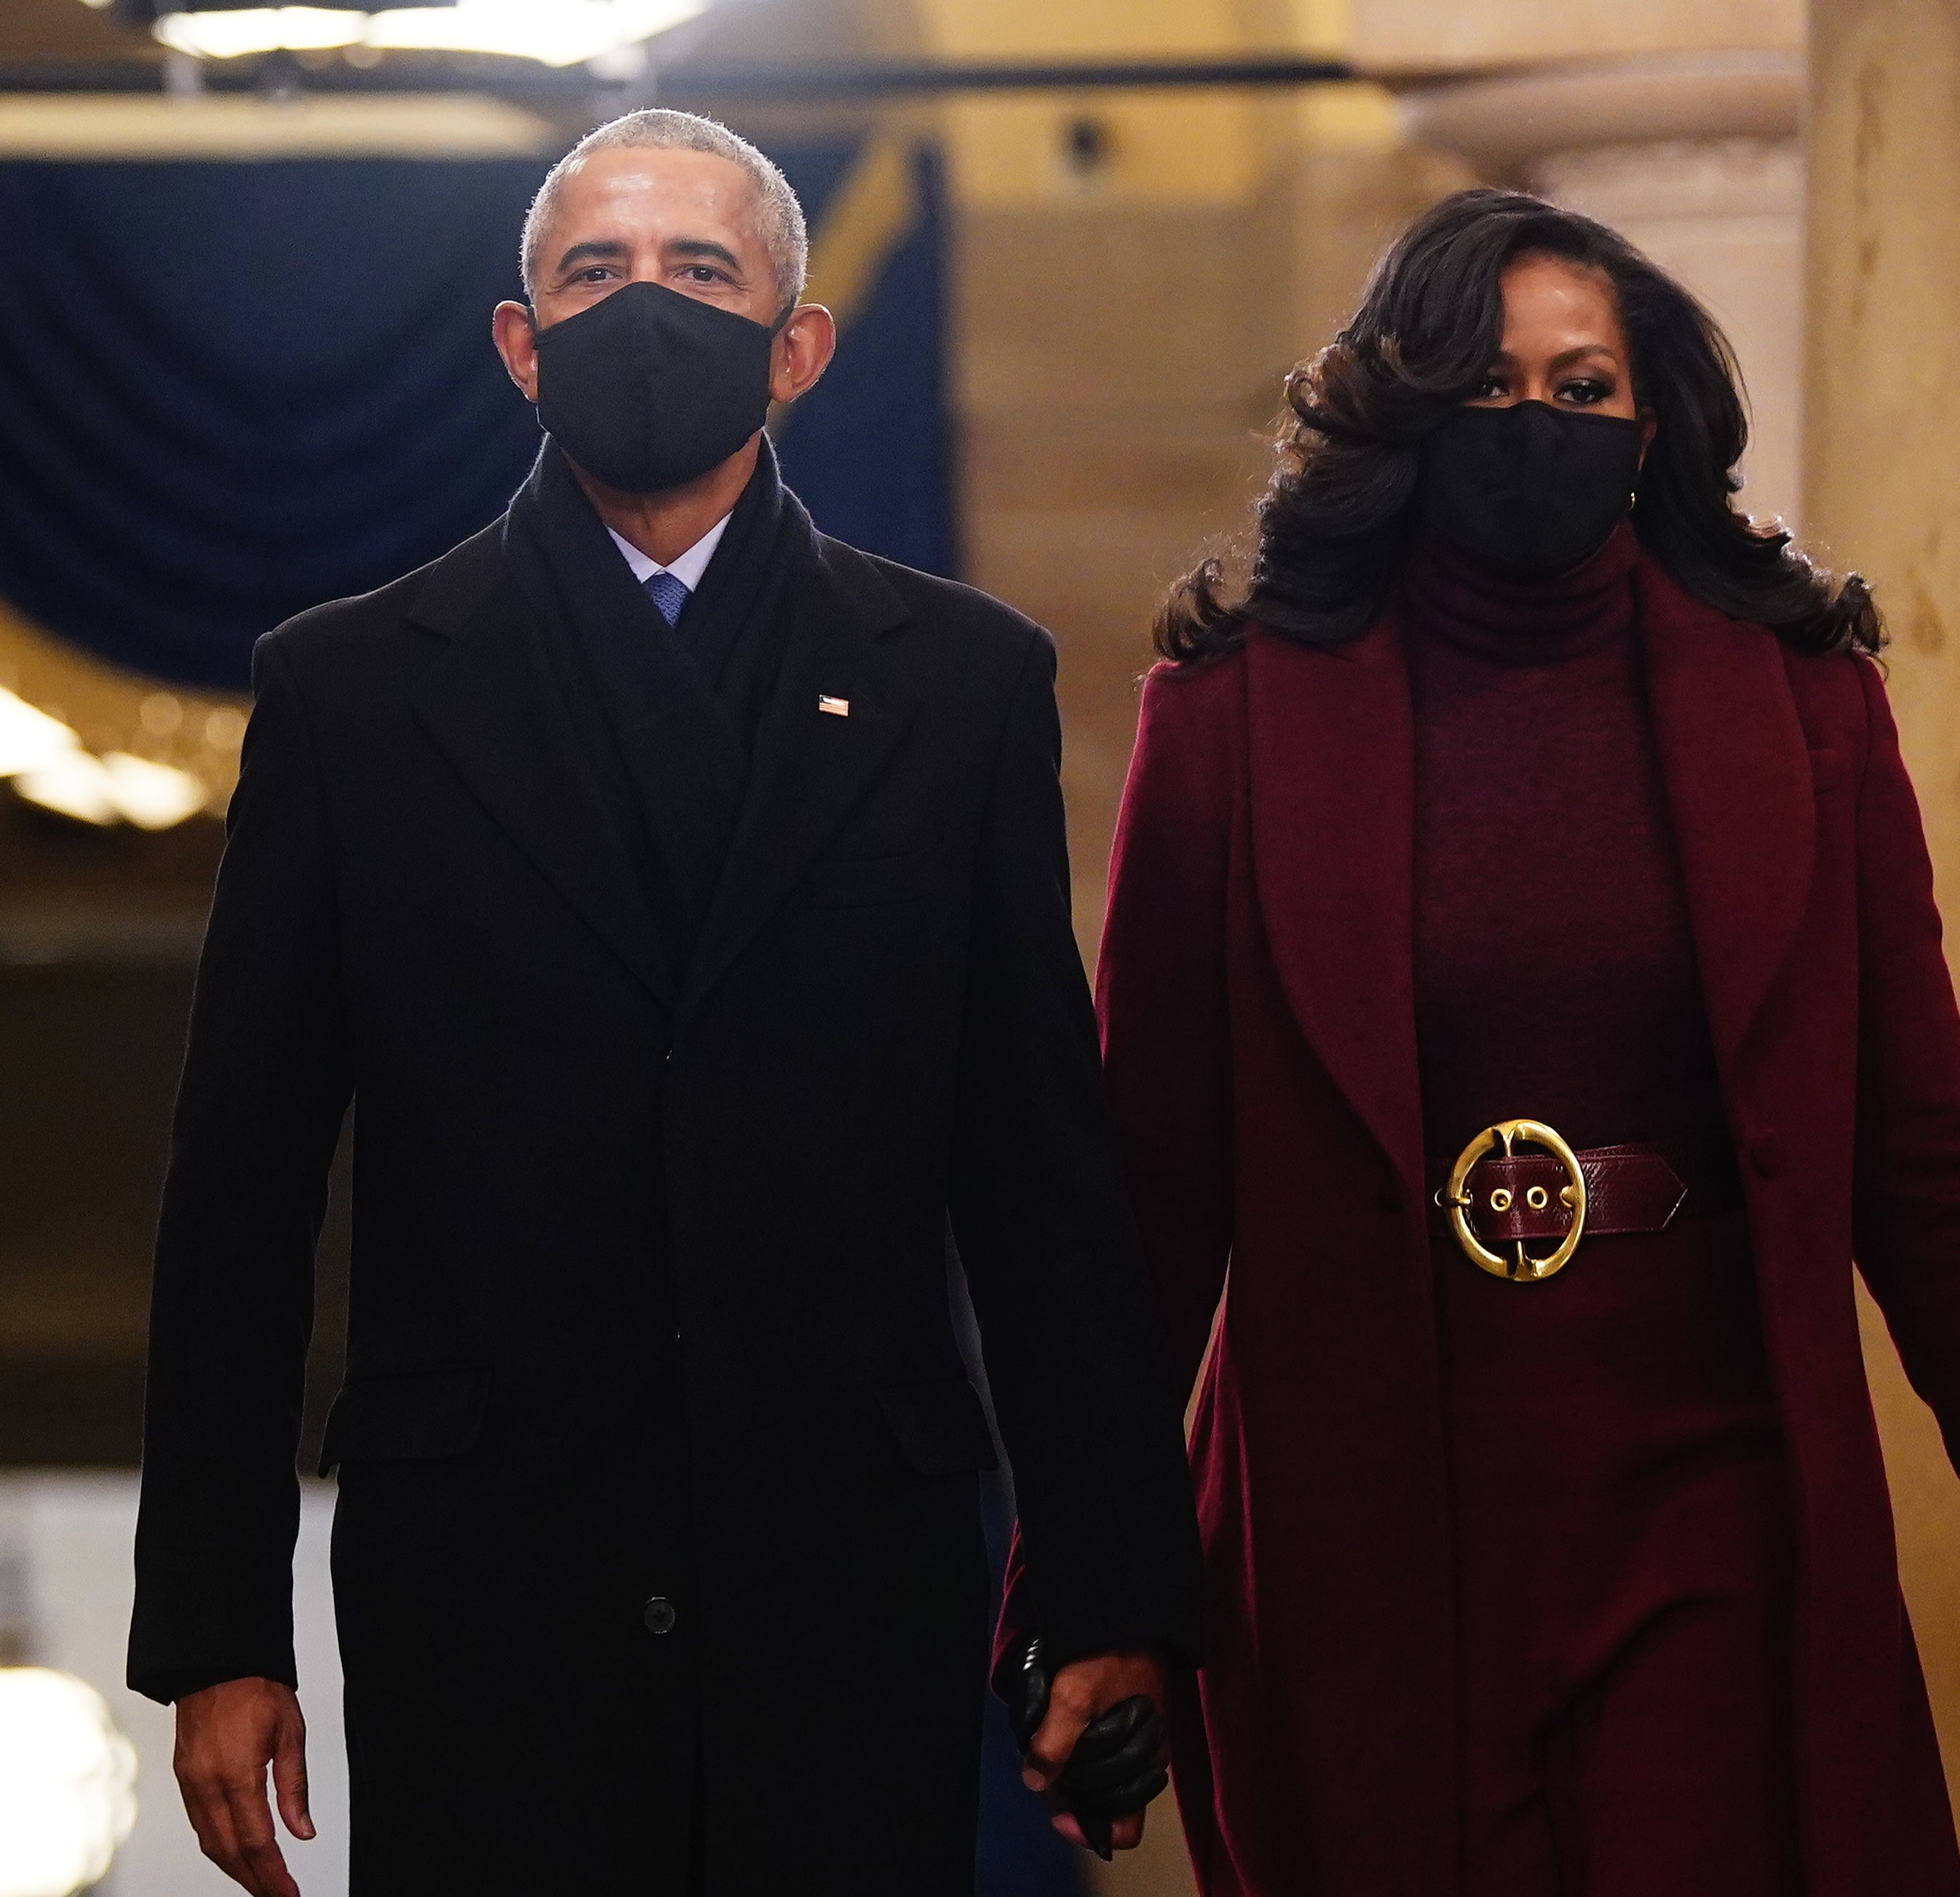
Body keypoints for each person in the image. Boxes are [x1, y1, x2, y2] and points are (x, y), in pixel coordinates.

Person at [127, 109, 1199, 1896]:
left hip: (844, 1562)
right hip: (484, 1573)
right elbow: (235, 1193)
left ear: (798, 343)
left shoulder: (961, 685)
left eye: (699, 272)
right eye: (592, 273)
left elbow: (1040, 1183)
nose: (645, 307)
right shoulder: (352, 695)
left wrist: (1106, 1585)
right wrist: (216, 1631)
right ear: (516, 340)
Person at [1097, 188, 1960, 1897]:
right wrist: (1084, 1591)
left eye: (1579, 387)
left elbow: (1923, 1161)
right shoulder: (1229, 722)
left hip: (1711, 1496)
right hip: (1357, 1519)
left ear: (1648, 414)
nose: (1535, 425)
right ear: (1401, 411)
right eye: (1485, 385)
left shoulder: (1800, 702)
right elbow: (1146, 1196)